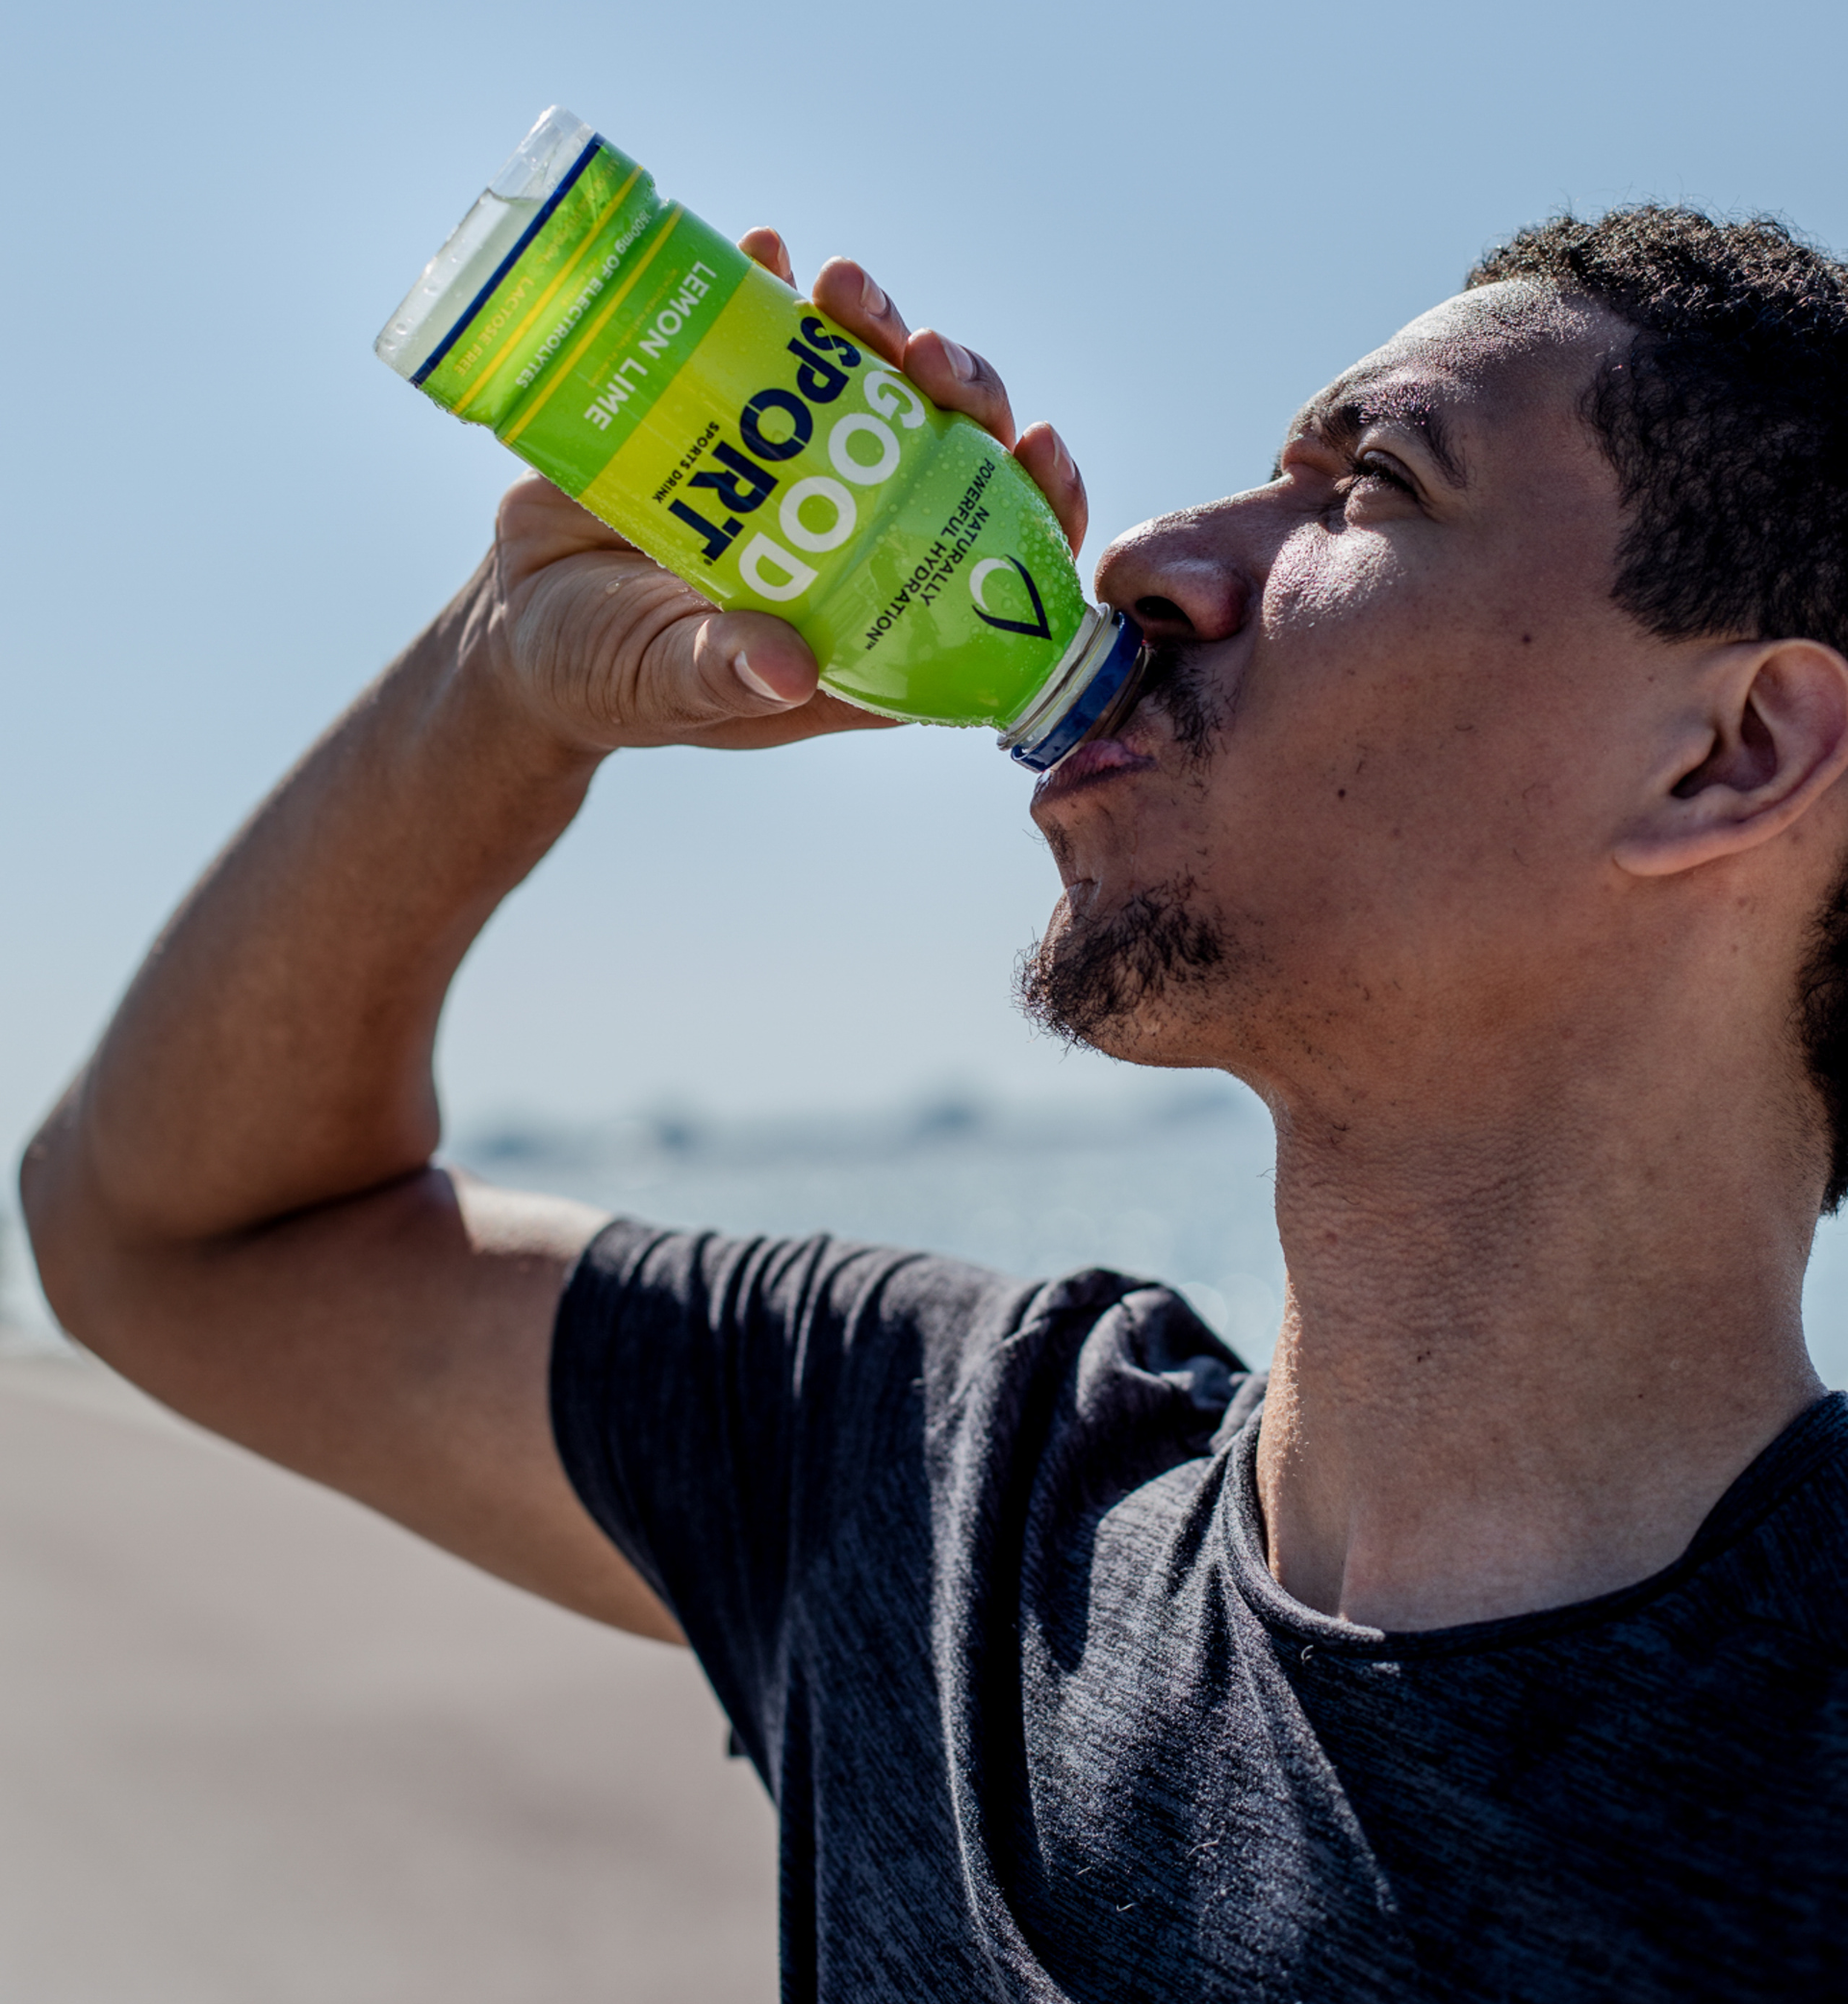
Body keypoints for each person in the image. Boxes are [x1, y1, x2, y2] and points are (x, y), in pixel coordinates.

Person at [20, 206, 1848, 2001]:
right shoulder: (933, 1486)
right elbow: (161, 1234)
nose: (1145, 556)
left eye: (1368, 483)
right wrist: (506, 682)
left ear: (1729, 752)